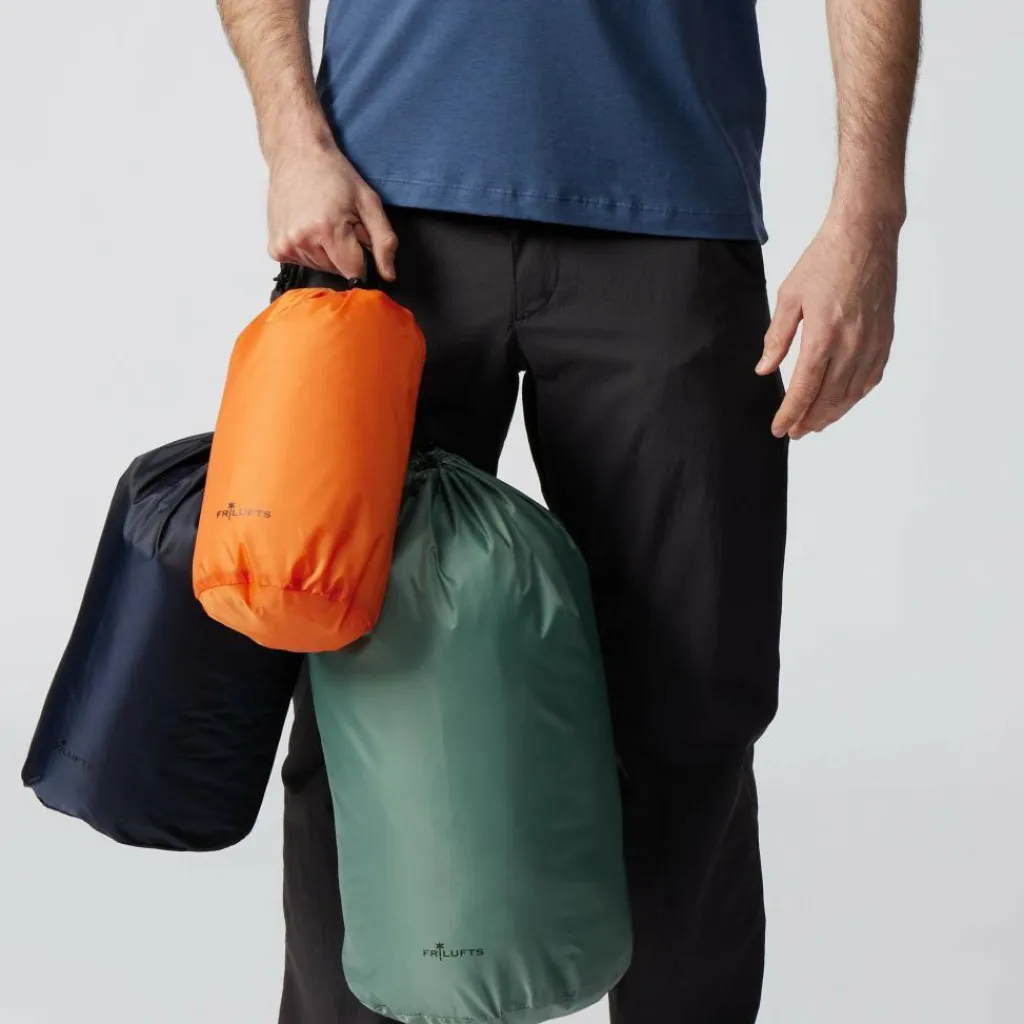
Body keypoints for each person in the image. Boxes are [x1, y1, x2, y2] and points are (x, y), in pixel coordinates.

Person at [216, 2, 920, 1021]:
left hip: (672, 216)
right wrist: (291, 137)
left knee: (692, 715)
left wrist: (868, 217)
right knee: (353, 688)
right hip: (378, 217)